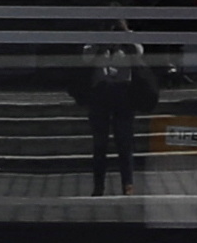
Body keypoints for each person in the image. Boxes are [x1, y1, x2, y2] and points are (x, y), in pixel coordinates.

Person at [68, 31, 161, 196]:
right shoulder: (95, 41)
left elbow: (138, 52)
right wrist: (101, 44)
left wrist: (125, 34)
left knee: (124, 141)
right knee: (100, 143)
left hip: (123, 93)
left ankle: (128, 184)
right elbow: (86, 57)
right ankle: (99, 185)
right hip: (100, 93)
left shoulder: (128, 42)